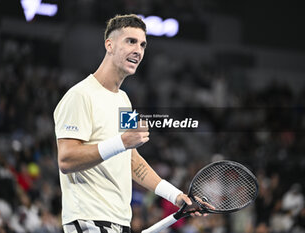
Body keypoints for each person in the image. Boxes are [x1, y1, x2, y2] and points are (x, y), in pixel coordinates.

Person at [53, 14, 197, 233]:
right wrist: (121, 142)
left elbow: (131, 160)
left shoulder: (124, 101)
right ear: (109, 45)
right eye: (130, 41)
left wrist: (176, 196)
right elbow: (66, 159)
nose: (138, 50)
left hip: (119, 222)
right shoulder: (80, 95)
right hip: (89, 221)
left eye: (142, 45)